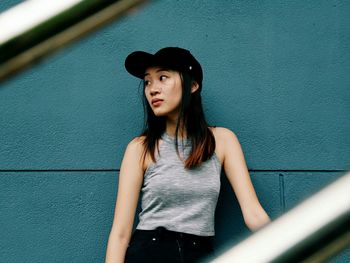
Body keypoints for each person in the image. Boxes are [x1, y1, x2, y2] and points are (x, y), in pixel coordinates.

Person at [105, 47, 270, 263]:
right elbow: (120, 233)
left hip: (198, 252)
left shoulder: (223, 141)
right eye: (147, 82)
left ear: (192, 85)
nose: (153, 89)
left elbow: (254, 214)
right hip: (148, 252)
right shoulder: (140, 148)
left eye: (163, 78)